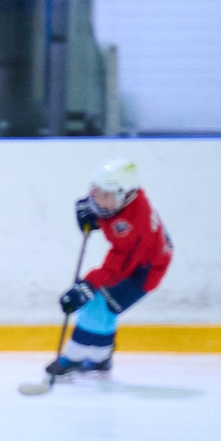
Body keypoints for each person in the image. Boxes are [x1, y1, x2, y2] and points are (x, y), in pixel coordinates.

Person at [48, 159, 172, 382]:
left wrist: (86, 286)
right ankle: (100, 360)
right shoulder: (124, 201)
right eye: (97, 193)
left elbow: (118, 269)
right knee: (104, 310)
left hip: (143, 270)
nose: (99, 200)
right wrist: (90, 210)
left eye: (107, 196)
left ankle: (73, 359)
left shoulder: (133, 227)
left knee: (94, 309)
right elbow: (104, 208)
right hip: (146, 254)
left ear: (125, 194)